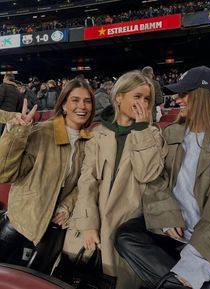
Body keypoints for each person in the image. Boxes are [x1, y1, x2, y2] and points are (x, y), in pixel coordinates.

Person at [115, 66, 210, 289]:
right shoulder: (171, 133)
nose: (177, 99)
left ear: (203, 97)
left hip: (209, 242)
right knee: (126, 235)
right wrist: (167, 215)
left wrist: (188, 270)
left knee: (186, 278)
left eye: (184, 93)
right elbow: (155, 179)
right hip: (173, 229)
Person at [69, 70, 168, 289]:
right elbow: (87, 181)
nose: (142, 103)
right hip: (93, 227)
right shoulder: (98, 133)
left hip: (127, 230)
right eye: (137, 96)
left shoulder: (153, 134)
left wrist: (142, 129)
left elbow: (146, 174)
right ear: (119, 96)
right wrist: (87, 223)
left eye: (147, 99)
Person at [0, 79, 95, 274]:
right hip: (20, 225)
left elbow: (85, 183)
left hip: (52, 232)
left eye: (87, 101)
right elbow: (5, 173)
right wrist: (16, 133)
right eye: (75, 100)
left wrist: (67, 205)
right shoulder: (42, 132)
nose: (82, 106)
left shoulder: (90, 143)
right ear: (64, 105)